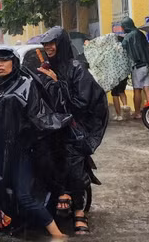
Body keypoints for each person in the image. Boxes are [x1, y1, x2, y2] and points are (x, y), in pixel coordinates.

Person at [0, 47, 69, 239]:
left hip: (22, 150)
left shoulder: (26, 84)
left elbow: (35, 115)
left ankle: (58, 234)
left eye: (4, 61)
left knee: (24, 196)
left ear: (14, 63)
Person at [36, 27, 108, 236]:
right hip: (51, 125)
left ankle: (79, 212)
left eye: (52, 43)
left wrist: (58, 84)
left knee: (74, 164)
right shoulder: (45, 67)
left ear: (62, 44)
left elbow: (81, 103)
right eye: (45, 44)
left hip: (74, 127)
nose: (48, 47)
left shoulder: (77, 68)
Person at [120, 17, 149, 119]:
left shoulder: (127, 37)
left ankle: (137, 113)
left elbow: (122, 50)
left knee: (137, 90)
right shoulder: (140, 34)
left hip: (137, 67)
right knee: (148, 89)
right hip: (146, 65)